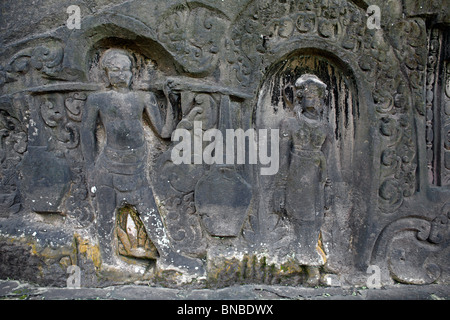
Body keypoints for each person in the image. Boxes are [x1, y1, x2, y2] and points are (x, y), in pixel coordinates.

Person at [81, 48, 203, 274]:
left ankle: (168, 255)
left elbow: (165, 132)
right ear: (105, 74)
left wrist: (171, 100)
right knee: (106, 215)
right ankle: (107, 259)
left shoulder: (143, 98)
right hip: (108, 167)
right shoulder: (98, 99)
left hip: (136, 169)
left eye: (124, 70)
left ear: (133, 73)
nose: (120, 75)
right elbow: (87, 132)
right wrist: (91, 168)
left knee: (150, 211)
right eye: (114, 70)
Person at [274, 74, 332, 266]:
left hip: (317, 178)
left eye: (316, 95)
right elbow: (283, 159)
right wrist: (279, 189)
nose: (312, 99)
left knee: (316, 220)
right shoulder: (289, 124)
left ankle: (311, 258)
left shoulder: (326, 128)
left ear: (321, 99)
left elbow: (330, 161)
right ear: (300, 98)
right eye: (307, 95)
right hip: (296, 176)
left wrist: (328, 188)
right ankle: (302, 258)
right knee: (298, 218)